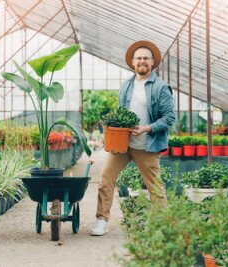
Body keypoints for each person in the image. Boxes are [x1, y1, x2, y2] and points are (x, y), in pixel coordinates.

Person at [90, 40, 176, 236]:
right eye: (139, 58)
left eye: (146, 58)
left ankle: (164, 225)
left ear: (153, 62)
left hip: (147, 145)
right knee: (105, 178)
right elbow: (122, 113)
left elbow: (169, 117)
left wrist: (147, 128)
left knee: (154, 186)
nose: (142, 61)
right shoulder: (127, 85)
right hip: (123, 145)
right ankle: (101, 220)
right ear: (133, 62)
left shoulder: (161, 87)